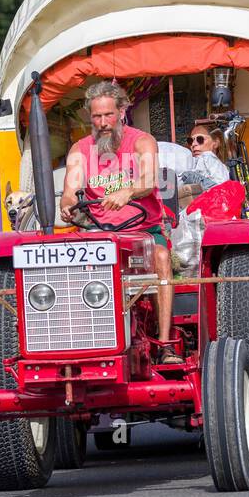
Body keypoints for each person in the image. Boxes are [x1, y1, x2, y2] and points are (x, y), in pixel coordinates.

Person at [60, 81, 181, 364]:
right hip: (98, 235)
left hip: (142, 232)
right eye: (96, 117)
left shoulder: (141, 141)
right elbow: (69, 191)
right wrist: (66, 207)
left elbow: (149, 179)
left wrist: (128, 191)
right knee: (64, 265)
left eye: (108, 116)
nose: (103, 123)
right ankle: (79, 341)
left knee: (162, 257)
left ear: (123, 111)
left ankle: (165, 344)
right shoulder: (80, 150)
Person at [179, 123, 230, 195]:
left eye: (200, 139)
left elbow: (221, 188)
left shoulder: (208, 156)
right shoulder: (190, 161)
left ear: (215, 143)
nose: (193, 144)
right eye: (190, 141)